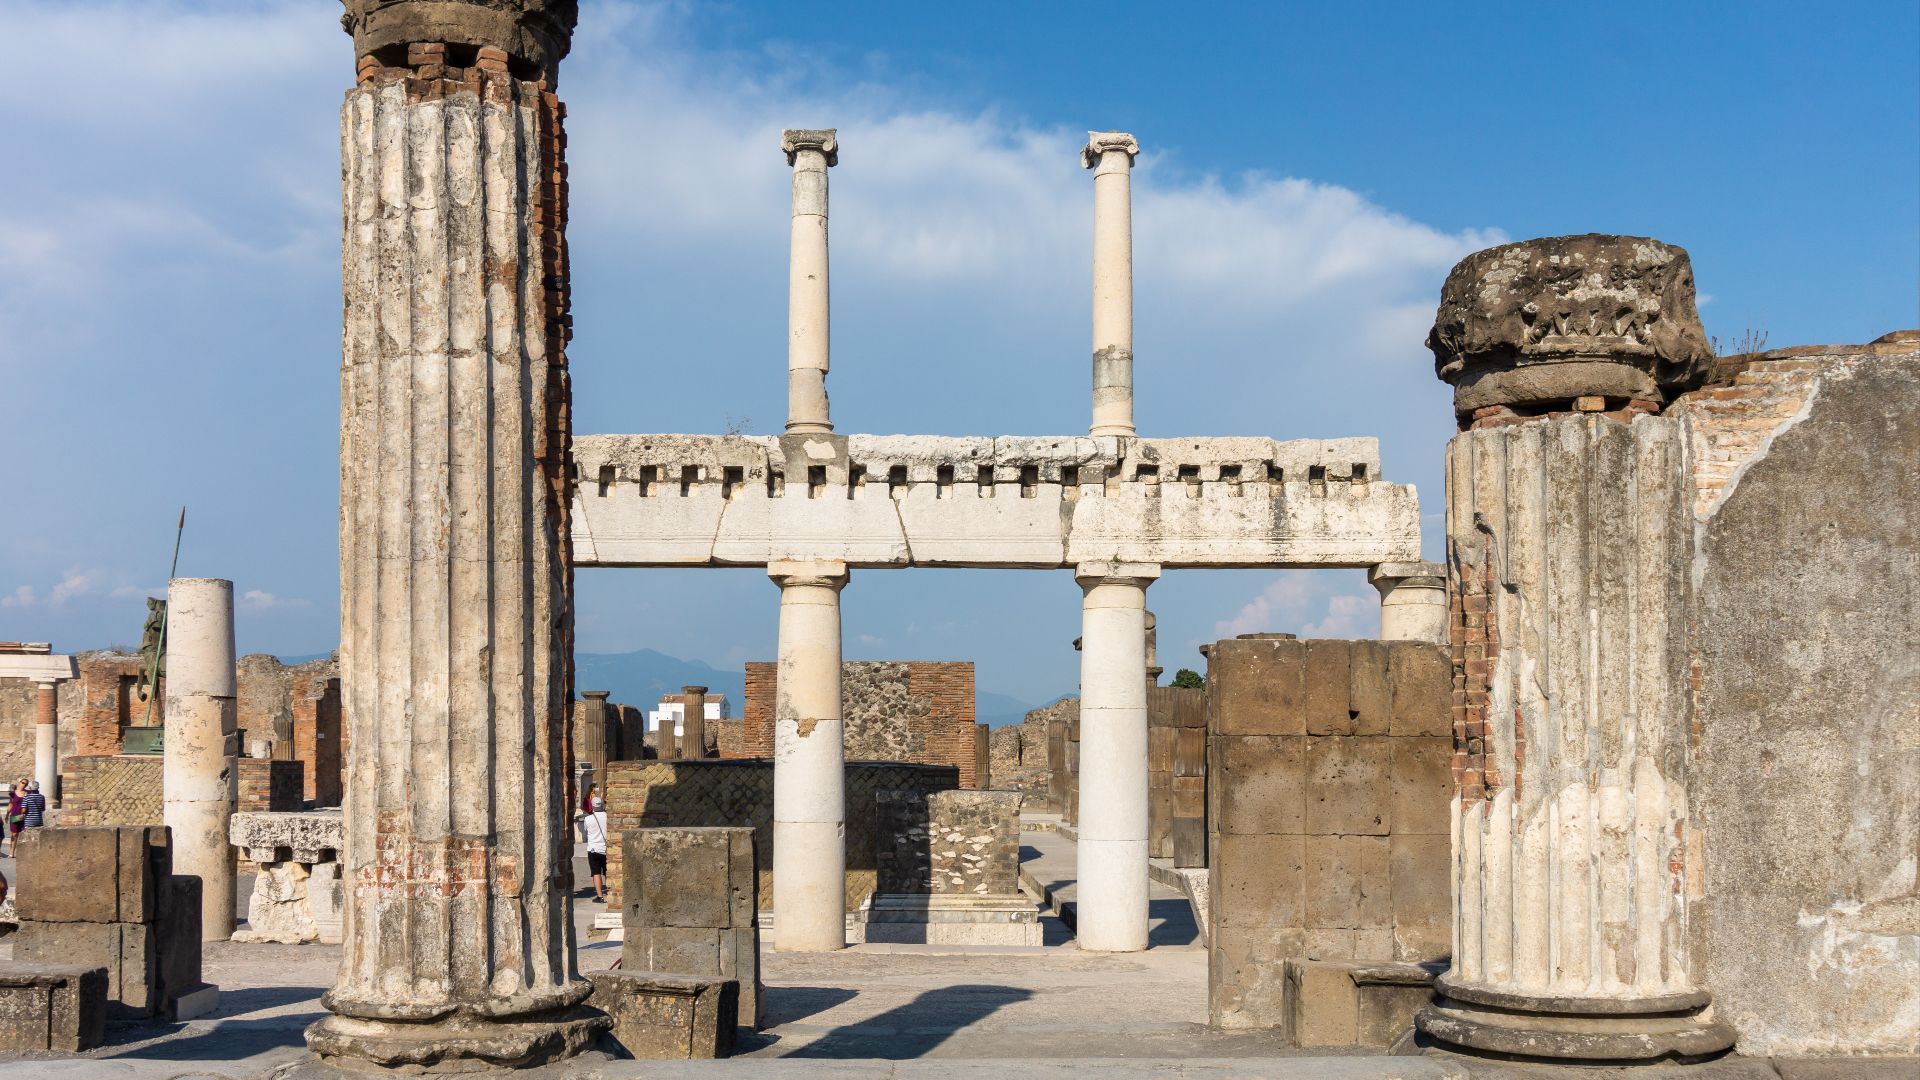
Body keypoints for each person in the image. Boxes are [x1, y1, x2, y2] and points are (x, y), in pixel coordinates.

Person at [582, 795, 609, 903]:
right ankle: (611, 893)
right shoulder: (607, 816)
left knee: (596, 873)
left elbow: (585, 831)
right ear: (601, 805)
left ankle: (600, 896)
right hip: (606, 848)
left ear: (592, 806)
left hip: (593, 849)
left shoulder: (588, 819)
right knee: (608, 872)